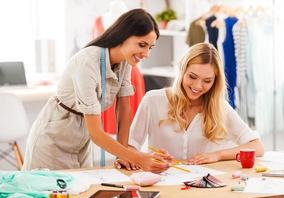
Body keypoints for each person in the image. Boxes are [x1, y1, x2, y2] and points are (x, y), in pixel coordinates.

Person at [22, 9, 170, 173]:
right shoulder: (87, 62)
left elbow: (124, 110)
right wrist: (137, 157)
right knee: (50, 195)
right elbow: (96, 133)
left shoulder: (125, 61)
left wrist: (123, 156)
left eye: (151, 47)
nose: (146, 53)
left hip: (81, 140)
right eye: (142, 45)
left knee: (82, 192)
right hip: (53, 138)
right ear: (123, 35)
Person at [115, 43, 264, 171]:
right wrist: (145, 158)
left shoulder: (220, 108)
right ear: (182, 70)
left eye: (207, 81)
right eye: (192, 77)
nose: (198, 86)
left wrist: (216, 155)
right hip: (163, 187)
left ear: (215, 82)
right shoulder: (153, 100)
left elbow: (257, 147)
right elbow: (131, 147)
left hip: (203, 189)